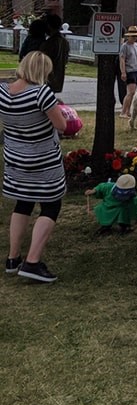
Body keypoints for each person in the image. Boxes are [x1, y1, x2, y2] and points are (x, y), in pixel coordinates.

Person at [0, 51, 67, 283]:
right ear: (42, 71)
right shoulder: (42, 94)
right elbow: (61, 125)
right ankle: (33, 261)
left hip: (15, 159)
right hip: (43, 161)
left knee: (23, 203)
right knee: (51, 205)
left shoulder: (2, 92)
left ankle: (12, 258)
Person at [39, 14, 70, 93]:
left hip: (47, 79)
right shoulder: (64, 41)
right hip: (57, 78)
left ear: (49, 26)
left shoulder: (50, 43)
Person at [118, 26, 137, 120]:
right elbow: (122, 59)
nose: (134, 38)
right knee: (130, 92)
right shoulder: (125, 46)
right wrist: (123, 72)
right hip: (130, 70)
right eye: (132, 36)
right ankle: (123, 111)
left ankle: (128, 111)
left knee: (133, 93)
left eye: (136, 36)